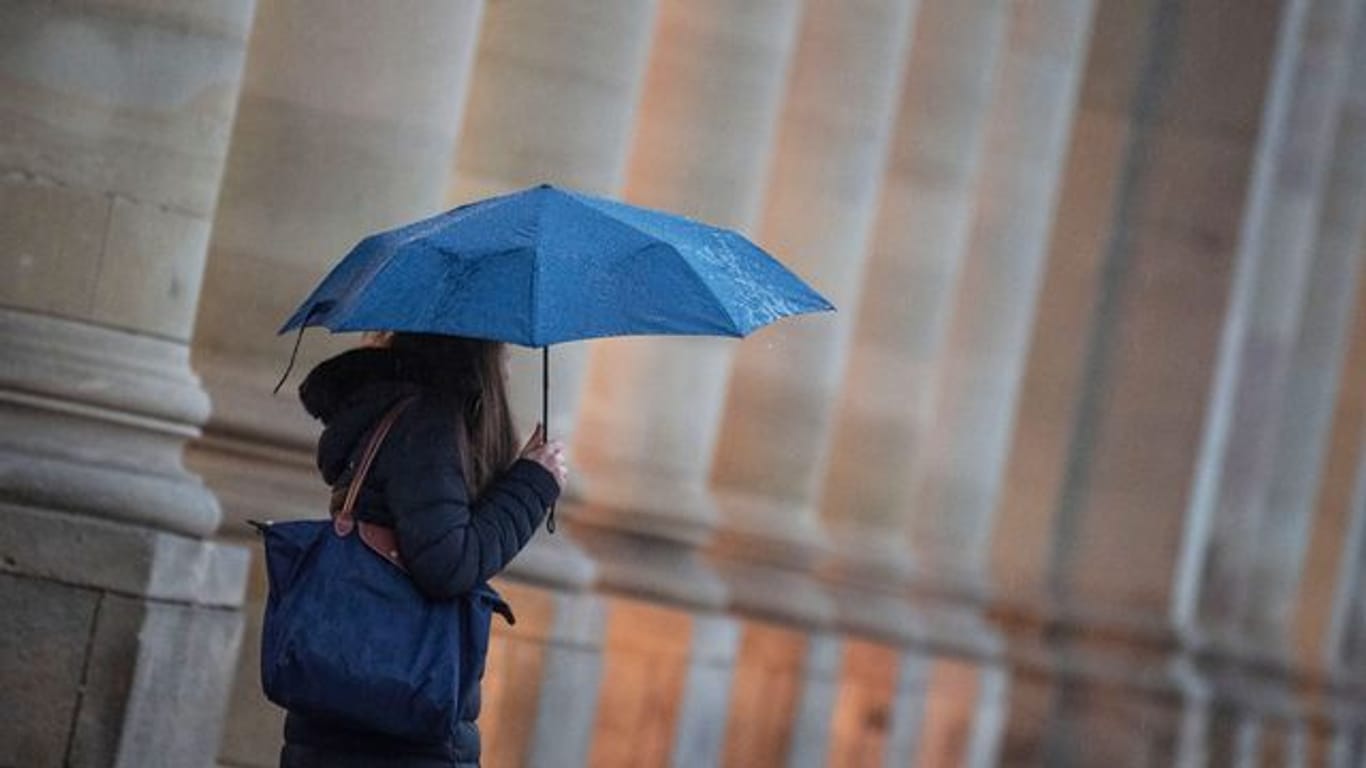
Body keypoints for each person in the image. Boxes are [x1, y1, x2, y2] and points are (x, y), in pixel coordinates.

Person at [279, 332, 567, 768]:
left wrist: (520, 477)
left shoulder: (405, 416)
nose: (507, 368)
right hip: (396, 728)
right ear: (476, 353)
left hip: (361, 722)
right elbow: (447, 562)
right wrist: (531, 485)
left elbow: (438, 531)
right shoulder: (425, 424)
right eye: (504, 352)